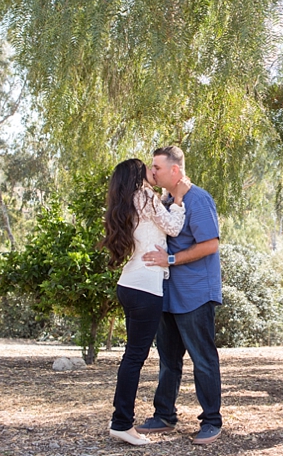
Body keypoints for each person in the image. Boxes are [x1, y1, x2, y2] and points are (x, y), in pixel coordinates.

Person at [136, 145, 223, 446]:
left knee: (203, 359)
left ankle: (211, 421)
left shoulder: (198, 199)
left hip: (195, 293)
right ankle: (164, 416)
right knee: (167, 360)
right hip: (168, 294)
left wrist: (170, 260)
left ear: (175, 170)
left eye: (157, 167)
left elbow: (210, 245)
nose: (153, 172)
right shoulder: (165, 200)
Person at [100, 158, 191, 446]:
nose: (152, 172)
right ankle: (121, 423)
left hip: (129, 285)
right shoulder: (145, 196)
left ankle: (121, 421)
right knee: (135, 357)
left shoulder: (129, 201)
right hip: (145, 289)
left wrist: (166, 200)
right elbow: (173, 227)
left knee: (132, 356)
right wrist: (177, 199)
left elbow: (153, 226)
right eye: (146, 168)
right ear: (137, 175)